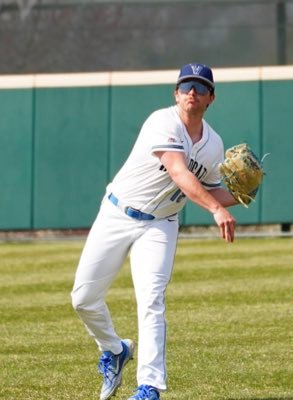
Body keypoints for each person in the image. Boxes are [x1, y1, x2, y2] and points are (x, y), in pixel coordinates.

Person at [71, 63, 238, 400]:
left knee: (151, 301)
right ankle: (114, 349)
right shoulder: (162, 122)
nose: (193, 92)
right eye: (187, 85)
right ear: (176, 93)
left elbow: (211, 189)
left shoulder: (213, 145)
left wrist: (240, 195)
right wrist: (217, 208)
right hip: (118, 212)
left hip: (161, 224)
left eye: (201, 88)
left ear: (211, 98)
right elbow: (179, 172)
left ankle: (149, 388)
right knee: (83, 299)